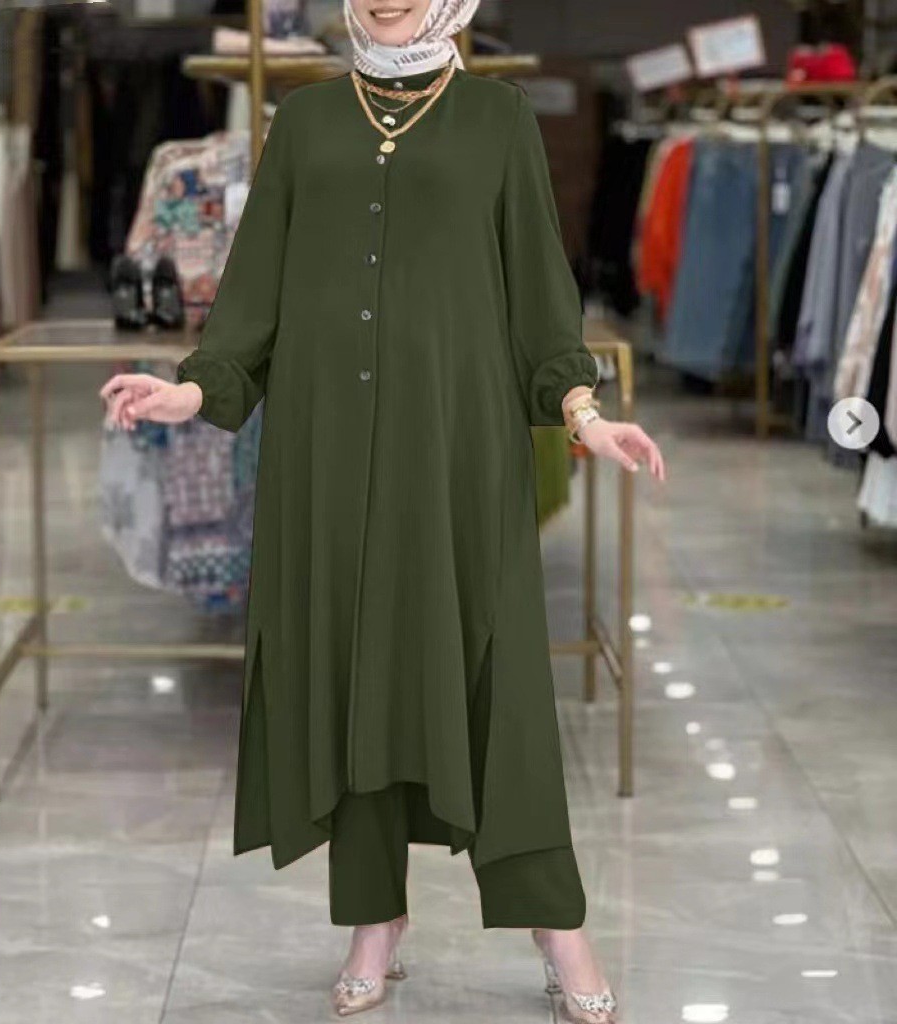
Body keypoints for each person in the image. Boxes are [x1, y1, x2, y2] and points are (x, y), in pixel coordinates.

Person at [101, 0, 665, 1019]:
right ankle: (374, 915)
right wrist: (191, 391)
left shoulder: (496, 119)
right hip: (324, 449)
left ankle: (555, 921)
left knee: (492, 677)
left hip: (456, 446)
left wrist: (582, 413)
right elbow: (252, 300)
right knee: (354, 666)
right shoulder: (306, 123)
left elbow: (539, 297)